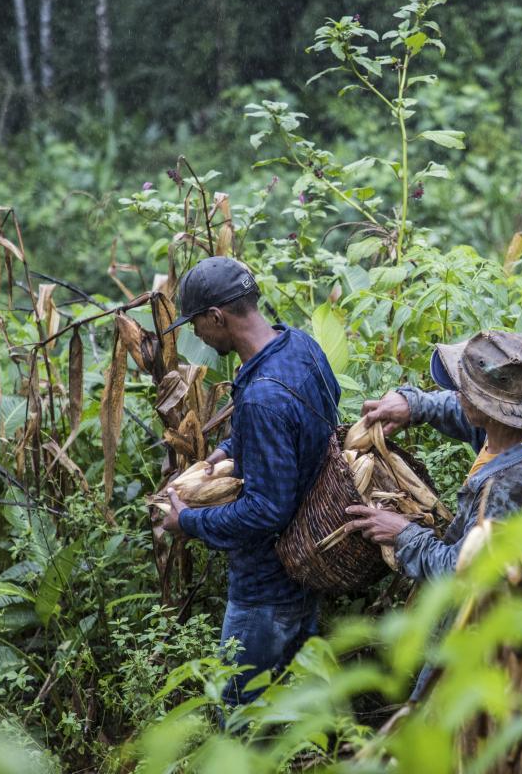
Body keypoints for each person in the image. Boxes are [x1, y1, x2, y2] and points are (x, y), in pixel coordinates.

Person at [158, 256, 340, 710]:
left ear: (217, 317)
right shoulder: (299, 346)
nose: (196, 334)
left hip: (267, 588)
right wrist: (229, 449)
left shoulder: (262, 397)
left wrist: (190, 522)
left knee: (238, 717)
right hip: (308, 555)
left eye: (197, 323)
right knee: (300, 711)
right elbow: (309, 418)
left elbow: (266, 510)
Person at [346, 329, 522, 595]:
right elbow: (471, 416)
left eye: (463, 391)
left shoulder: (505, 490)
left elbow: (463, 574)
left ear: (487, 408)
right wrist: (416, 405)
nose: (457, 394)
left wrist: (403, 534)